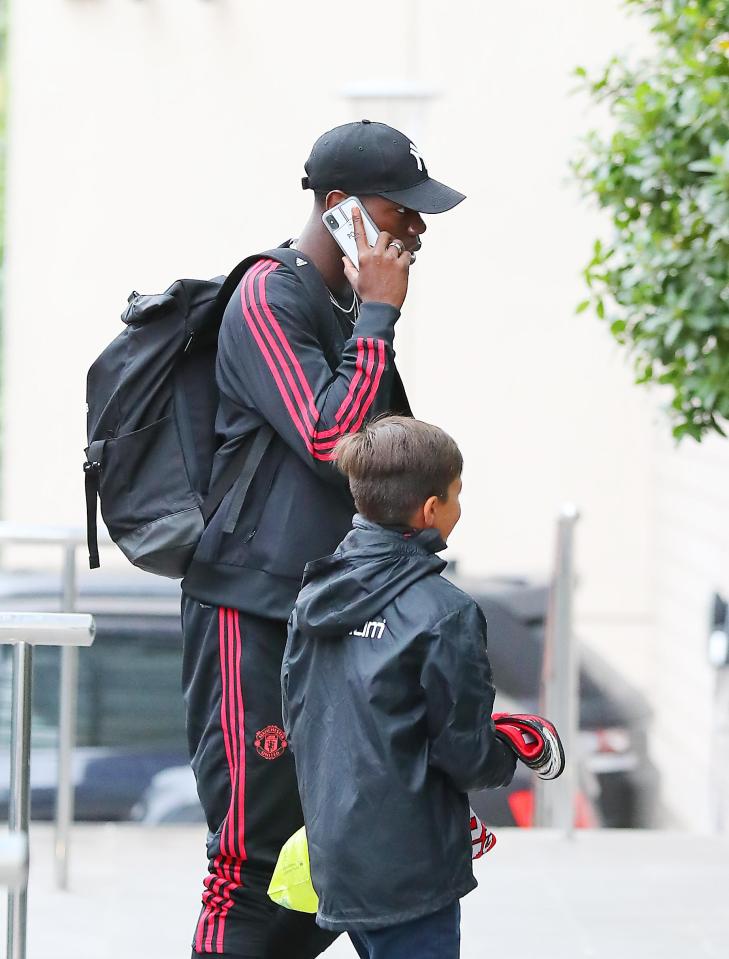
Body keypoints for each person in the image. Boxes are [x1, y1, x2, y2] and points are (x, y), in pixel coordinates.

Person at [180, 120, 466, 959]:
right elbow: (327, 438)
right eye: (397, 209)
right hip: (250, 609)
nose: (414, 228)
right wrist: (379, 313)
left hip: (325, 611)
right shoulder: (269, 294)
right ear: (338, 208)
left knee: (328, 856)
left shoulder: (340, 306)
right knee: (250, 856)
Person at [281, 416, 517, 959]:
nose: (460, 508)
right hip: (411, 872)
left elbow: (299, 716)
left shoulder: (314, 596)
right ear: (430, 510)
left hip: (336, 858)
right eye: (457, 495)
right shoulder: (446, 613)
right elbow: (466, 752)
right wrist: (513, 752)